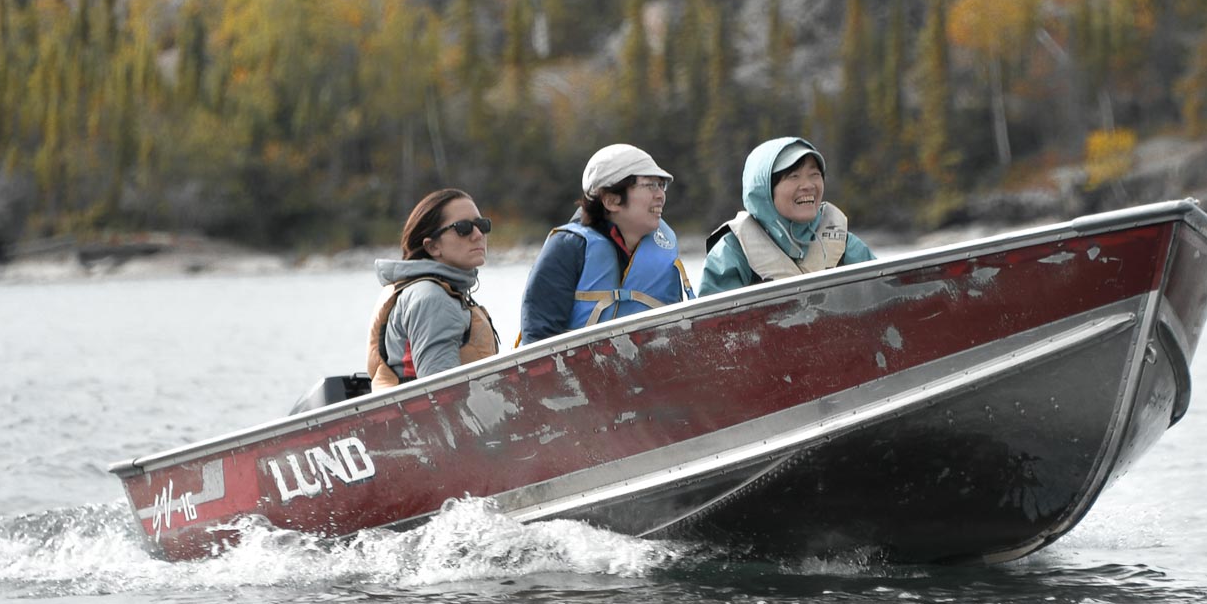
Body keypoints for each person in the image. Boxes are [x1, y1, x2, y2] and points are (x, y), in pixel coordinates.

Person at [519, 143, 695, 344]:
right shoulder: (568, 248)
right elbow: (538, 345)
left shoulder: (664, 248)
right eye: (650, 185)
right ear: (611, 201)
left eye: (661, 185)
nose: (660, 195)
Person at [698, 136, 876, 296]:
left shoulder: (846, 245)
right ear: (765, 190)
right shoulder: (732, 251)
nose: (808, 185)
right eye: (794, 176)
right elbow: (713, 328)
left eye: (814, 174)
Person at [367, 188, 500, 389]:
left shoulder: (422, 289)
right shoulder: (432, 298)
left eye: (482, 225)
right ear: (432, 247)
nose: (478, 234)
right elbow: (442, 394)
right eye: (463, 228)